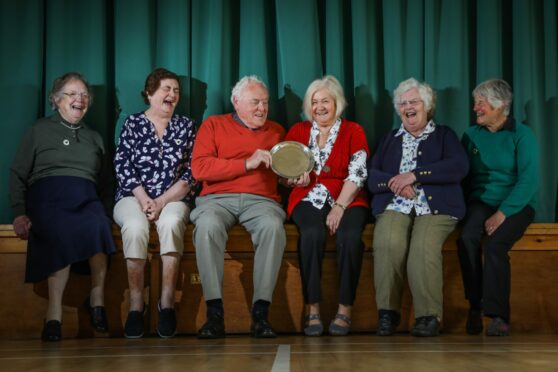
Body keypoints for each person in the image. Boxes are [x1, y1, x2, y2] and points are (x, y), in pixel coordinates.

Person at [9, 72, 116, 342]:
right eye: (72, 94)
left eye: (84, 95)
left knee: (99, 224)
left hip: (86, 197)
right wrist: (20, 212)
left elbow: (105, 182)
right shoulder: (39, 130)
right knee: (62, 227)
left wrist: (106, 209)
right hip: (49, 197)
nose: (80, 99)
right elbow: (18, 173)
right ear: (56, 100)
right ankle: (53, 314)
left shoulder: (95, 138)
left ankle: (98, 299)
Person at [368, 78, 468, 337]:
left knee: (422, 249)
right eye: (403, 103)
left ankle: (428, 317)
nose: (408, 107)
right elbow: (372, 176)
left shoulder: (445, 135)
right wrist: (395, 183)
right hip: (396, 203)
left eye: (414, 102)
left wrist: (415, 174)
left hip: (437, 206)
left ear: (427, 106)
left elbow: (458, 167)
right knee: (388, 242)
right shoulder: (390, 139)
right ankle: (387, 314)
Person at [191, 75, 286, 339]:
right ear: (236, 102)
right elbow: (200, 168)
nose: (261, 108)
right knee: (207, 226)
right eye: (255, 102)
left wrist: (293, 178)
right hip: (216, 200)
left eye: (265, 103)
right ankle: (214, 313)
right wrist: (246, 163)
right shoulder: (213, 125)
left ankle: (260, 314)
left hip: (262, 201)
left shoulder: (277, 131)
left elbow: (284, 172)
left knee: (273, 226)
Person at [113, 68, 196, 338]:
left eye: (176, 91)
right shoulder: (132, 123)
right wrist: (145, 199)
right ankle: (137, 306)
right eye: (166, 89)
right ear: (150, 93)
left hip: (173, 197)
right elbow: (122, 165)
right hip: (132, 195)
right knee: (135, 228)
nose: (172, 95)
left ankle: (167, 304)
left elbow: (191, 173)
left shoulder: (186, 126)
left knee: (171, 222)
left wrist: (161, 201)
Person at [283, 76, 369, 336]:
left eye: (325, 101)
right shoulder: (298, 131)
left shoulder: (354, 131)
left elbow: (358, 173)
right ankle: (312, 309)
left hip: (348, 198)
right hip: (307, 197)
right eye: (315, 102)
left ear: (337, 103)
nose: (320, 107)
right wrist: (292, 179)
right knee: (311, 234)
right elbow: (284, 170)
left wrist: (340, 206)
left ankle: (345, 310)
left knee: (350, 236)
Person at [457, 79, 538, 336]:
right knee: (467, 237)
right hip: (481, 201)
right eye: (476, 102)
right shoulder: (470, 135)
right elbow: (464, 176)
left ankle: (499, 315)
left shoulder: (522, 134)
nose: (475, 108)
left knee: (494, 245)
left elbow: (528, 181)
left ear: (501, 105)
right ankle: (474, 305)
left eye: (482, 103)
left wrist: (503, 213)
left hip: (517, 204)